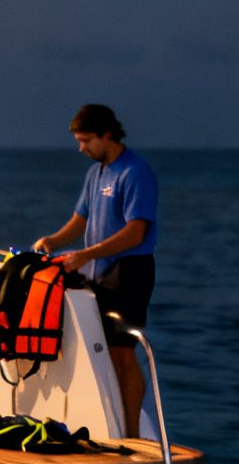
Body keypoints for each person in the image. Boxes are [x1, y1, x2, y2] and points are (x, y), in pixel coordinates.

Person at [33, 103, 158, 436]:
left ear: (107, 135)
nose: (81, 148)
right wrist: (54, 240)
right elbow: (81, 218)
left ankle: (132, 435)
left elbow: (136, 232)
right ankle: (113, 427)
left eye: (86, 140)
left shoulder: (135, 172)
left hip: (130, 271)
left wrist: (86, 254)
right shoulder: (95, 173)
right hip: (99, 274)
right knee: (104, 352)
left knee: (123, 353)